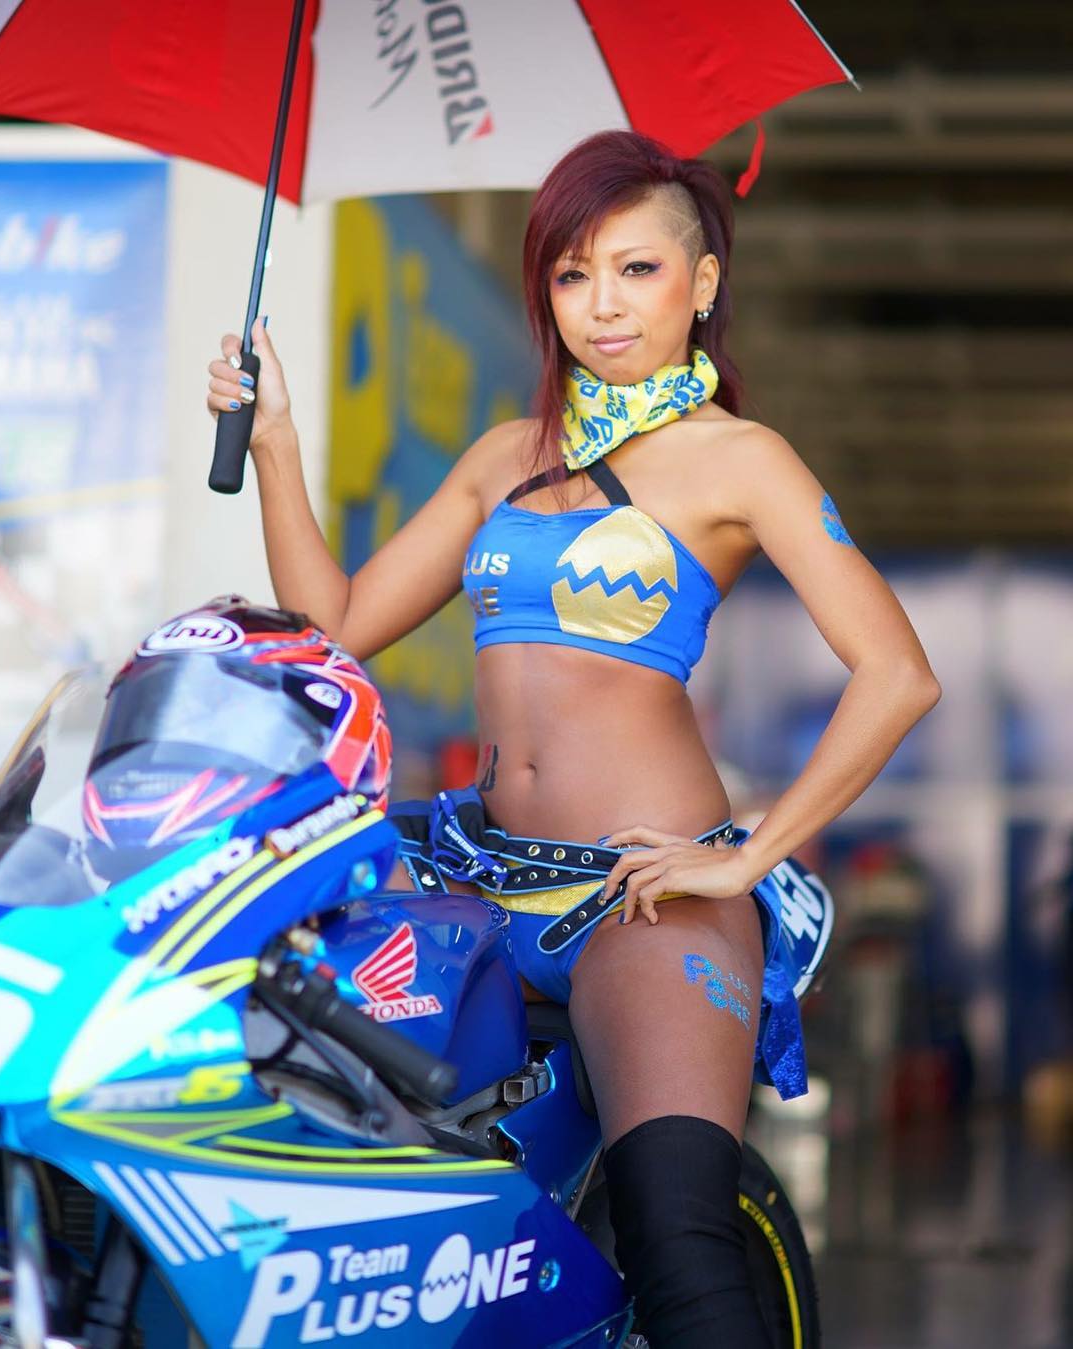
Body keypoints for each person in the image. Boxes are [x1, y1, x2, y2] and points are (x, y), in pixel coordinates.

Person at [206, 130, 940, 1347]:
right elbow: (337, 625)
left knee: (680, 1246)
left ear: (702, 284)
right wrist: (276, 438)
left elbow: (898, 674)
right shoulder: (507, 457)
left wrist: (748, 857)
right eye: (572, 273)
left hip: (642, 897)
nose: (602, 305)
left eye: (637, 269)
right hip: (474, 876)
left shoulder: (739, 459)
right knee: (343, 1188)